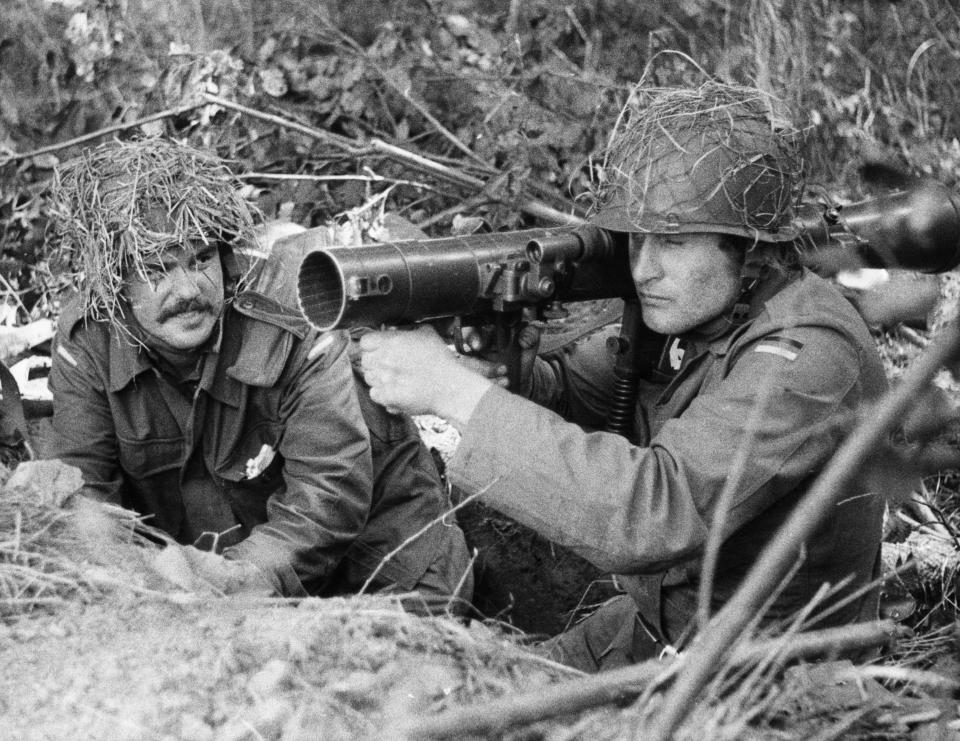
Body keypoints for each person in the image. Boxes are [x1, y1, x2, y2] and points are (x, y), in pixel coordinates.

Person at [356, 82, 886, 669]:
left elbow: (654, 513)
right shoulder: (699, 313)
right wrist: (500, 361)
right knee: (465, 689)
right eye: (636, 239)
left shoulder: (809, 356)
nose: (645, 268)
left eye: (674, 241)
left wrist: (454, 393)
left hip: (766, 670)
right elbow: (572, 391)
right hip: (658, 626)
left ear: (751, 249)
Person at [46, 137, 471, 609]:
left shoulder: (292, 314)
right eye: (156, 269)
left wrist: (223, 584)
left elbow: (329, 494)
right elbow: (81, 490)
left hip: (377, 554)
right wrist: (131, 581)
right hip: (232, 572)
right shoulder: (89, 341)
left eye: (201, 258)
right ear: (115, 285)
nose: (187, 289)